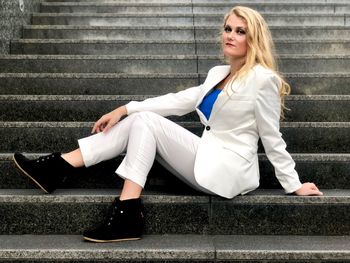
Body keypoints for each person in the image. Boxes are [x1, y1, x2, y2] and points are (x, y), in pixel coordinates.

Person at [13, 6, 323, 243]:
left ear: (253, 38)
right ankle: (61, 170)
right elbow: (177, 100)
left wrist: (293, 183)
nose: (230, 35)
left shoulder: (262, 79)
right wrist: (124, 108)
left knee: (145, 122)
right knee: (140, 120)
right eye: (228, 28)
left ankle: (118, 205)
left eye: (240, 31)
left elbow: (271, 136)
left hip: (228, 168)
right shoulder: (218, 73)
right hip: (206, 155)